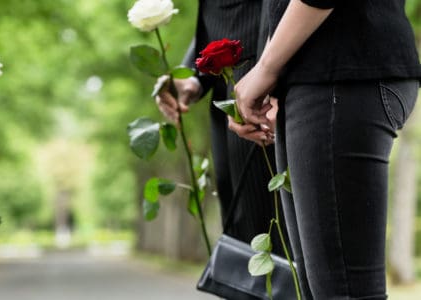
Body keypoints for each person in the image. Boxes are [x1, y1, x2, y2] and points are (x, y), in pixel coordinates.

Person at [232, 0, 421, 298]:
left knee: (342, 291)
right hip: (321, 75)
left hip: (340, 70)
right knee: (322, 288)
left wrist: (267, 68)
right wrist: (272, 74)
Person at [155, 0, 283, 252]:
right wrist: (194, 75)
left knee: (273, 242)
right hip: (227, 99)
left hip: (266, 99)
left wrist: (270, 76)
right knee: (240, 237)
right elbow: (222, 15)